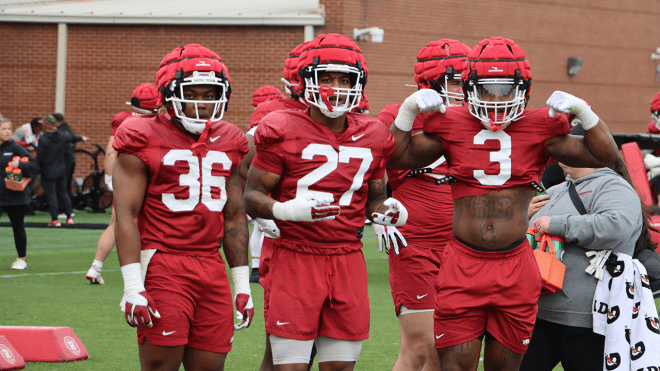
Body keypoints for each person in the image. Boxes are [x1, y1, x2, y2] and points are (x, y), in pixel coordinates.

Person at [387, 37, 619, 371]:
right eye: (486, 89)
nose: (496, 100)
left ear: (522, 90)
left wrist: (586, 113)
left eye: (505, 89)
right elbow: (396, 158)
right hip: (463, 265)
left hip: (515, 265)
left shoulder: (541, 126)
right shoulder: (452, 123)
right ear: (469, 89)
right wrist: (407, 114)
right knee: (454, 367)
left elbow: (605, 155)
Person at [244, 33, 406, 371]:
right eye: (326, 77)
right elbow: (252, 197)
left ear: (358, 83)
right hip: (294, 254)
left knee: (339, 367)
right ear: (307, 82)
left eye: (344, 79)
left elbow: (373, 199)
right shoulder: (281, 126)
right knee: (288, 366)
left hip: (347, 256)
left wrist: (387, 210)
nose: (336, 86)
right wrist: (286, 210)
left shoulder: (374, 133)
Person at [113, 44, 253, 371]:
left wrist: (242, 285)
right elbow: (125, 216)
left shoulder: (232, 139)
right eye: (192, 92)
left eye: (210, 93)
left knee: (210, 366)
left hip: (210, 263)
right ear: (168, 94)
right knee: (161, 365)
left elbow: (234, 216)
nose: (201, 103)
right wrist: (133, 285)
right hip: (162, 261)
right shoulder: (141, 135)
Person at [377, 38, 471, 371]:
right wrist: (378, 210)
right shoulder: (399, 114)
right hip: (414, 241)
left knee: (449, 350)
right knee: (419, 345)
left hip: (464, 245)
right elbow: (374, 164)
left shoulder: (476, 120)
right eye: (454, 80)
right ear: (430, 82)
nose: (462, 88)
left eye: (465, 80)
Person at [521, 157, 643, 371]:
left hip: (589, 320)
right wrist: (522, 218)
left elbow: (616, 227)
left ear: (589, 152)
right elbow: (527, 234)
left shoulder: (613, 186)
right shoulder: (556, 190)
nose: (560, 155)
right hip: (540, 313)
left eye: (567, 148)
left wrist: (557, 224)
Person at [239, 42, 309, 371]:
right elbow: (241, 169)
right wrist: (266, 213)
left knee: (318, 348)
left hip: (330, 245)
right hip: (287, 241)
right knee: (284, 351)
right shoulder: (275, 117)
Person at [85, 83, 160, 285]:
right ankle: (144, 273)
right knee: (154, 225)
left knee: (118, 223)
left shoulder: (124, 119)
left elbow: (111, 152)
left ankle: (96, 267)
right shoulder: (162, 122)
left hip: (127, 180)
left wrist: (110, 178)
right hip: (153, 180)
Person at [246, 84, 287, 284]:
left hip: (261, 169)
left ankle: (256, 267)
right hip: (271, 168)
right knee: (268, 223)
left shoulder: (259, 113)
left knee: (259, 225)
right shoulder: (276, 111)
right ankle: (262, 266)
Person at [0, 118, 40, 270]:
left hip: (15, 196)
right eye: (3, 129)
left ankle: (22, 259)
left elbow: (35, 166)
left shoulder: (15, 147)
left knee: (18, 228)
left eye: (9, 129)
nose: (7, 132)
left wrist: (21, 164)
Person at [45, 113, 88, 217]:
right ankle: (67, 210)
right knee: (65, 186)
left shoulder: (61, 131)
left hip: (65, 161)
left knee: (62, 186)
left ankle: (63, 210)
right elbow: (71, 138)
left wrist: (79, 138)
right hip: (69, 160)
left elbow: (67, 139)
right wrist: (79, 138)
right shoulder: (67, 129)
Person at [37, 118, 77, 226]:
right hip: (61, 170)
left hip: (48, 170)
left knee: (51, 195)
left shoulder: (43, 139)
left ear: (45, 126)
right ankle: (69, 217)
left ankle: (55, 219)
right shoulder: (62, 136)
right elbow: (72, 140)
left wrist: (37, 169)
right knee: (63, 193)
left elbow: (40, 158)